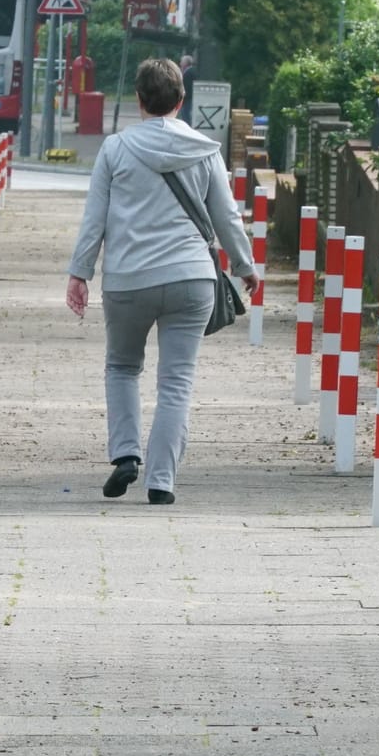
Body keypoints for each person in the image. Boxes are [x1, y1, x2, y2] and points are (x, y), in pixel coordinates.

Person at [65, 57, 257, 506]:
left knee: (122, 367)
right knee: (176, 382)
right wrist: (246, 267)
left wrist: (80, 273)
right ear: (181, 100)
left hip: (128, 279)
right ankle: (162, 481)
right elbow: (226, 217)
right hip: (191, 279)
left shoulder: (115, 149)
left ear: (138, 100)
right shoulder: (205, 150)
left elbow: (94, 218)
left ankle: (126, 454)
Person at [178, 54, 197, 125]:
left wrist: (183, 98)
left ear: (186, 63)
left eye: (182, 62)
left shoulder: (188, 73)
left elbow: (187, 88)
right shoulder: (190, 71)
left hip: (187, 100)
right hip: (188, 99)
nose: (180, 64)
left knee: (186, 117)